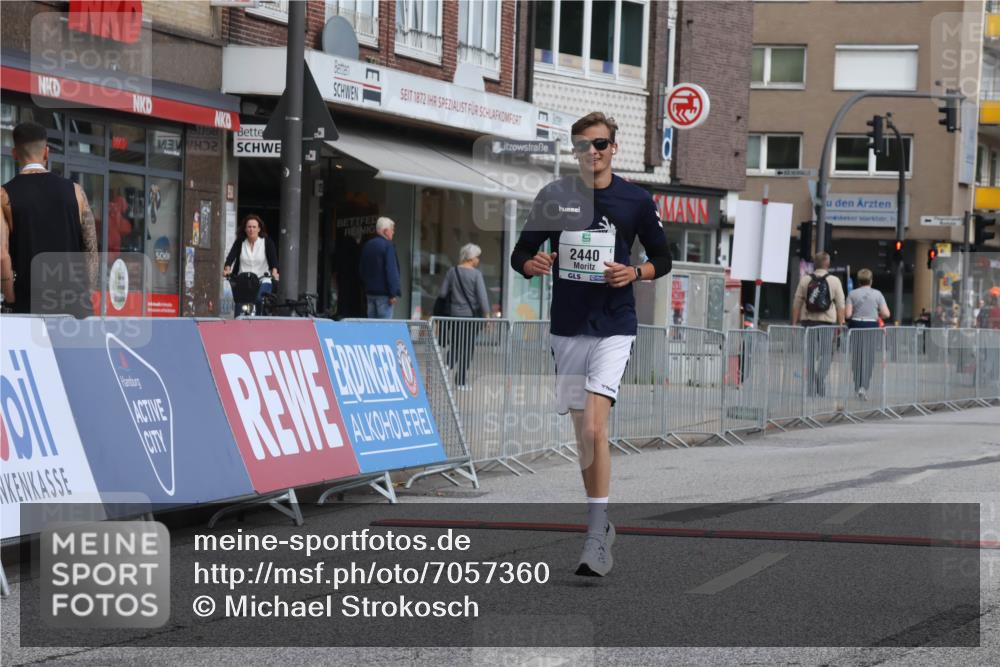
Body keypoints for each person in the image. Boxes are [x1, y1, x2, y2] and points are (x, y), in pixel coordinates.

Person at [510, 112, 671, 577]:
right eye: (583, 145)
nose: (592, 152)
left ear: (613, 148)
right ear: (574, 150)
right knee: (584, 436)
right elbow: (522, 252)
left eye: (600, 144)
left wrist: (635, 272)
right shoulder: (554, 196)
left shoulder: (635, 199)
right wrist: (532, 264)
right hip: (567, 326)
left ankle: (595, 534)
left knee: (597, 429)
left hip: (616, 323)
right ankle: (600, 524)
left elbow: (663, 257)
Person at [1, 121, 98, 317]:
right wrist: (84, 296)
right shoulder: (76, 191)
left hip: (28, 308)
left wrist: (11, 300)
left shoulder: (4, 195)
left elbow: (2, 255)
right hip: (75, 309)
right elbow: (91, 251)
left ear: (14, 154)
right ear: (46, 152)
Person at [791, 252, 846, 397]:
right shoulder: (834, 281)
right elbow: (841, 305)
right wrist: (840, 324)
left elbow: (797, 303)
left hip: (808, 322)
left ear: (814, 264)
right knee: (827, 353)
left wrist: (794, 323)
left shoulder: (805, 280)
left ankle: (810, 386)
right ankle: (820, 378)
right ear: (828, 264)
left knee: (809, 354)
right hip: (827, 324)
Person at [438, 243, 491, 388]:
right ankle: (460, 381)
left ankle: (446, 366)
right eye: (477, 257)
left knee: (455, 345)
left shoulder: (452, 271)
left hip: (454, 316)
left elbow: (442, 293)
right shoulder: (476, 274)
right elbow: (482, 298)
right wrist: (487, 316)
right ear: (472, 258)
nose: (478, 260)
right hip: (470, 318)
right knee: (467, 349)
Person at [845, 269, 890, 400]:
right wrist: (876, 314)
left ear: (858, 281)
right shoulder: (878, 294)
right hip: (871, 326)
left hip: (856, 326)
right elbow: (886, 314)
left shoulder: (852, 294)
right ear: (871, 280)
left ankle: (857, 385)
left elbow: (847, 315)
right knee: (869, 358)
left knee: (857, 357)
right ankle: (864, 387)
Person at [224, 214, 279, 316]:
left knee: (259, 299)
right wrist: (227, 269)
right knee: (239, 304)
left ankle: (259, 322)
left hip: (263, 279)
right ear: (245, 229)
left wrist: (275, 273)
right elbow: (230, 258)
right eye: (249, 227)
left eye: (254, 227)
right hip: (244, 280)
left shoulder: (267, 242)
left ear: (259, 229)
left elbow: (274, 261)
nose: (251, 229)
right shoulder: (240, 242)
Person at [359, 216, 401, 319]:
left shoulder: (367, 245)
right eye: (392, 230)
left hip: (370, 294)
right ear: (386, 231)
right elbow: (391, 271)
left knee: (372, 328)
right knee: (384, 329)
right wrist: (393, 294)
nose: (393, 232)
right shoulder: (388, 246)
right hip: (384, 296)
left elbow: (362, 270)